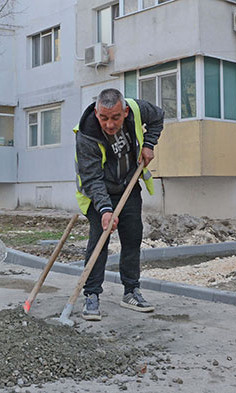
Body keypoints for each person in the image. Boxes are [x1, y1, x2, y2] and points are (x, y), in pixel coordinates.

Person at [74, 88, 163, 321]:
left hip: (128, 184)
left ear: (124, 111)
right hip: (99, 191)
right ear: (96, 112)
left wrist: (149, 144)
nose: (110, 124)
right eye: (104, 118)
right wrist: (105, 210)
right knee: (99, 242)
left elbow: (158, 117)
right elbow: (92, 178)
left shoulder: (136, 109)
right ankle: (92, 294)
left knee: (132, 237)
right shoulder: (87, 134)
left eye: (115, 118)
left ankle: (131, 290)